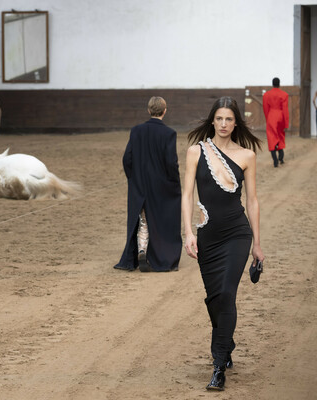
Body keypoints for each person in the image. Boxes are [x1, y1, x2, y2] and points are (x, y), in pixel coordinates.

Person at [182, 96, 265, 391]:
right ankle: (226, 340)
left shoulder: (247, 156)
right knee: (215, 298)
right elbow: (187, 195)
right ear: (212, 120)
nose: (224, 124)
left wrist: (257, 243)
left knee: (227, 293)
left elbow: (252, 201)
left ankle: (219, 365)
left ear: (236, 122)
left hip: (236, 235)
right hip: (208, 236)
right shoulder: (195, 152)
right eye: (219, 119)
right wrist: (188, 233)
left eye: (229, 119)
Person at [113, 96, 182, 272]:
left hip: (140, 184)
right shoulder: (169, 133)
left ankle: (142, 249)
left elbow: (127, 158)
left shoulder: (136, 131)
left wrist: (133, 178)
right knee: (160, 219)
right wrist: (174, 182)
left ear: (148, 110)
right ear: (165, 111)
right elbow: (171, 162)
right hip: (161, 185)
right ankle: (160, 258)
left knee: (143, 219)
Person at [262, 77, 288, 167]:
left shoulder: (266, 95)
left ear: (272, 84)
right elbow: (285, 110)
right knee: (280, 136)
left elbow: (265, 108)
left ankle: (275, 161)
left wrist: (268, 119)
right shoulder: (284, 95)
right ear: (279, 84)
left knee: (271, 138)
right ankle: (281, 157)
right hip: (280, 116)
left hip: (271, 116)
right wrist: (286, 123)